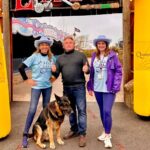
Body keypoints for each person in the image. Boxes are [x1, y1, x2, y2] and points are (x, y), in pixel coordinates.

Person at [52, 36, 90, 147]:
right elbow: (56, 74)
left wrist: (87, 69)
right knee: (70, 111)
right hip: (67, 88)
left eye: (70, 42)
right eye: (66, 43)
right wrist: (53, 71)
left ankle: (82, 133)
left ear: (74, 44)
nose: (68, 44)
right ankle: (74, 130)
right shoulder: (60, 59)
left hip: (79, 87)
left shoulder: (81, 55)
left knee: (81, 110)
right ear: (63, 45)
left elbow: (88, 70)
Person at [18, 36, 56, 148]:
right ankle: (25, 134)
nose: (44, 46)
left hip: (48, 87)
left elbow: (57, 69)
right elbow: (21, 67)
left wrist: (54, 75)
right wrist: (26, 79)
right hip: (36, 87)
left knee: (46, 111)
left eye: (46, 44)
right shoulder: (34, 56)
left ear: (49, 46)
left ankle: (43, 133)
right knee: (33, 109)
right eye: (42, 44)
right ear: (39, 46)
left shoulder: (52, 58)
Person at [87, 35, 122, 148]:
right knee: (102, 111)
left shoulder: (112, 56)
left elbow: (118, 71)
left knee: (107, 111)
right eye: (99, 43)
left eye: (103, 43)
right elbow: (92, 72)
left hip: (109, 88)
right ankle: (106, 131)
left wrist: (115, 86)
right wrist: (90, 86)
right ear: (97, 45)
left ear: (106, 44)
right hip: (97, 88)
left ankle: (107, 136)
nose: (101, 45)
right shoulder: (94, 56)